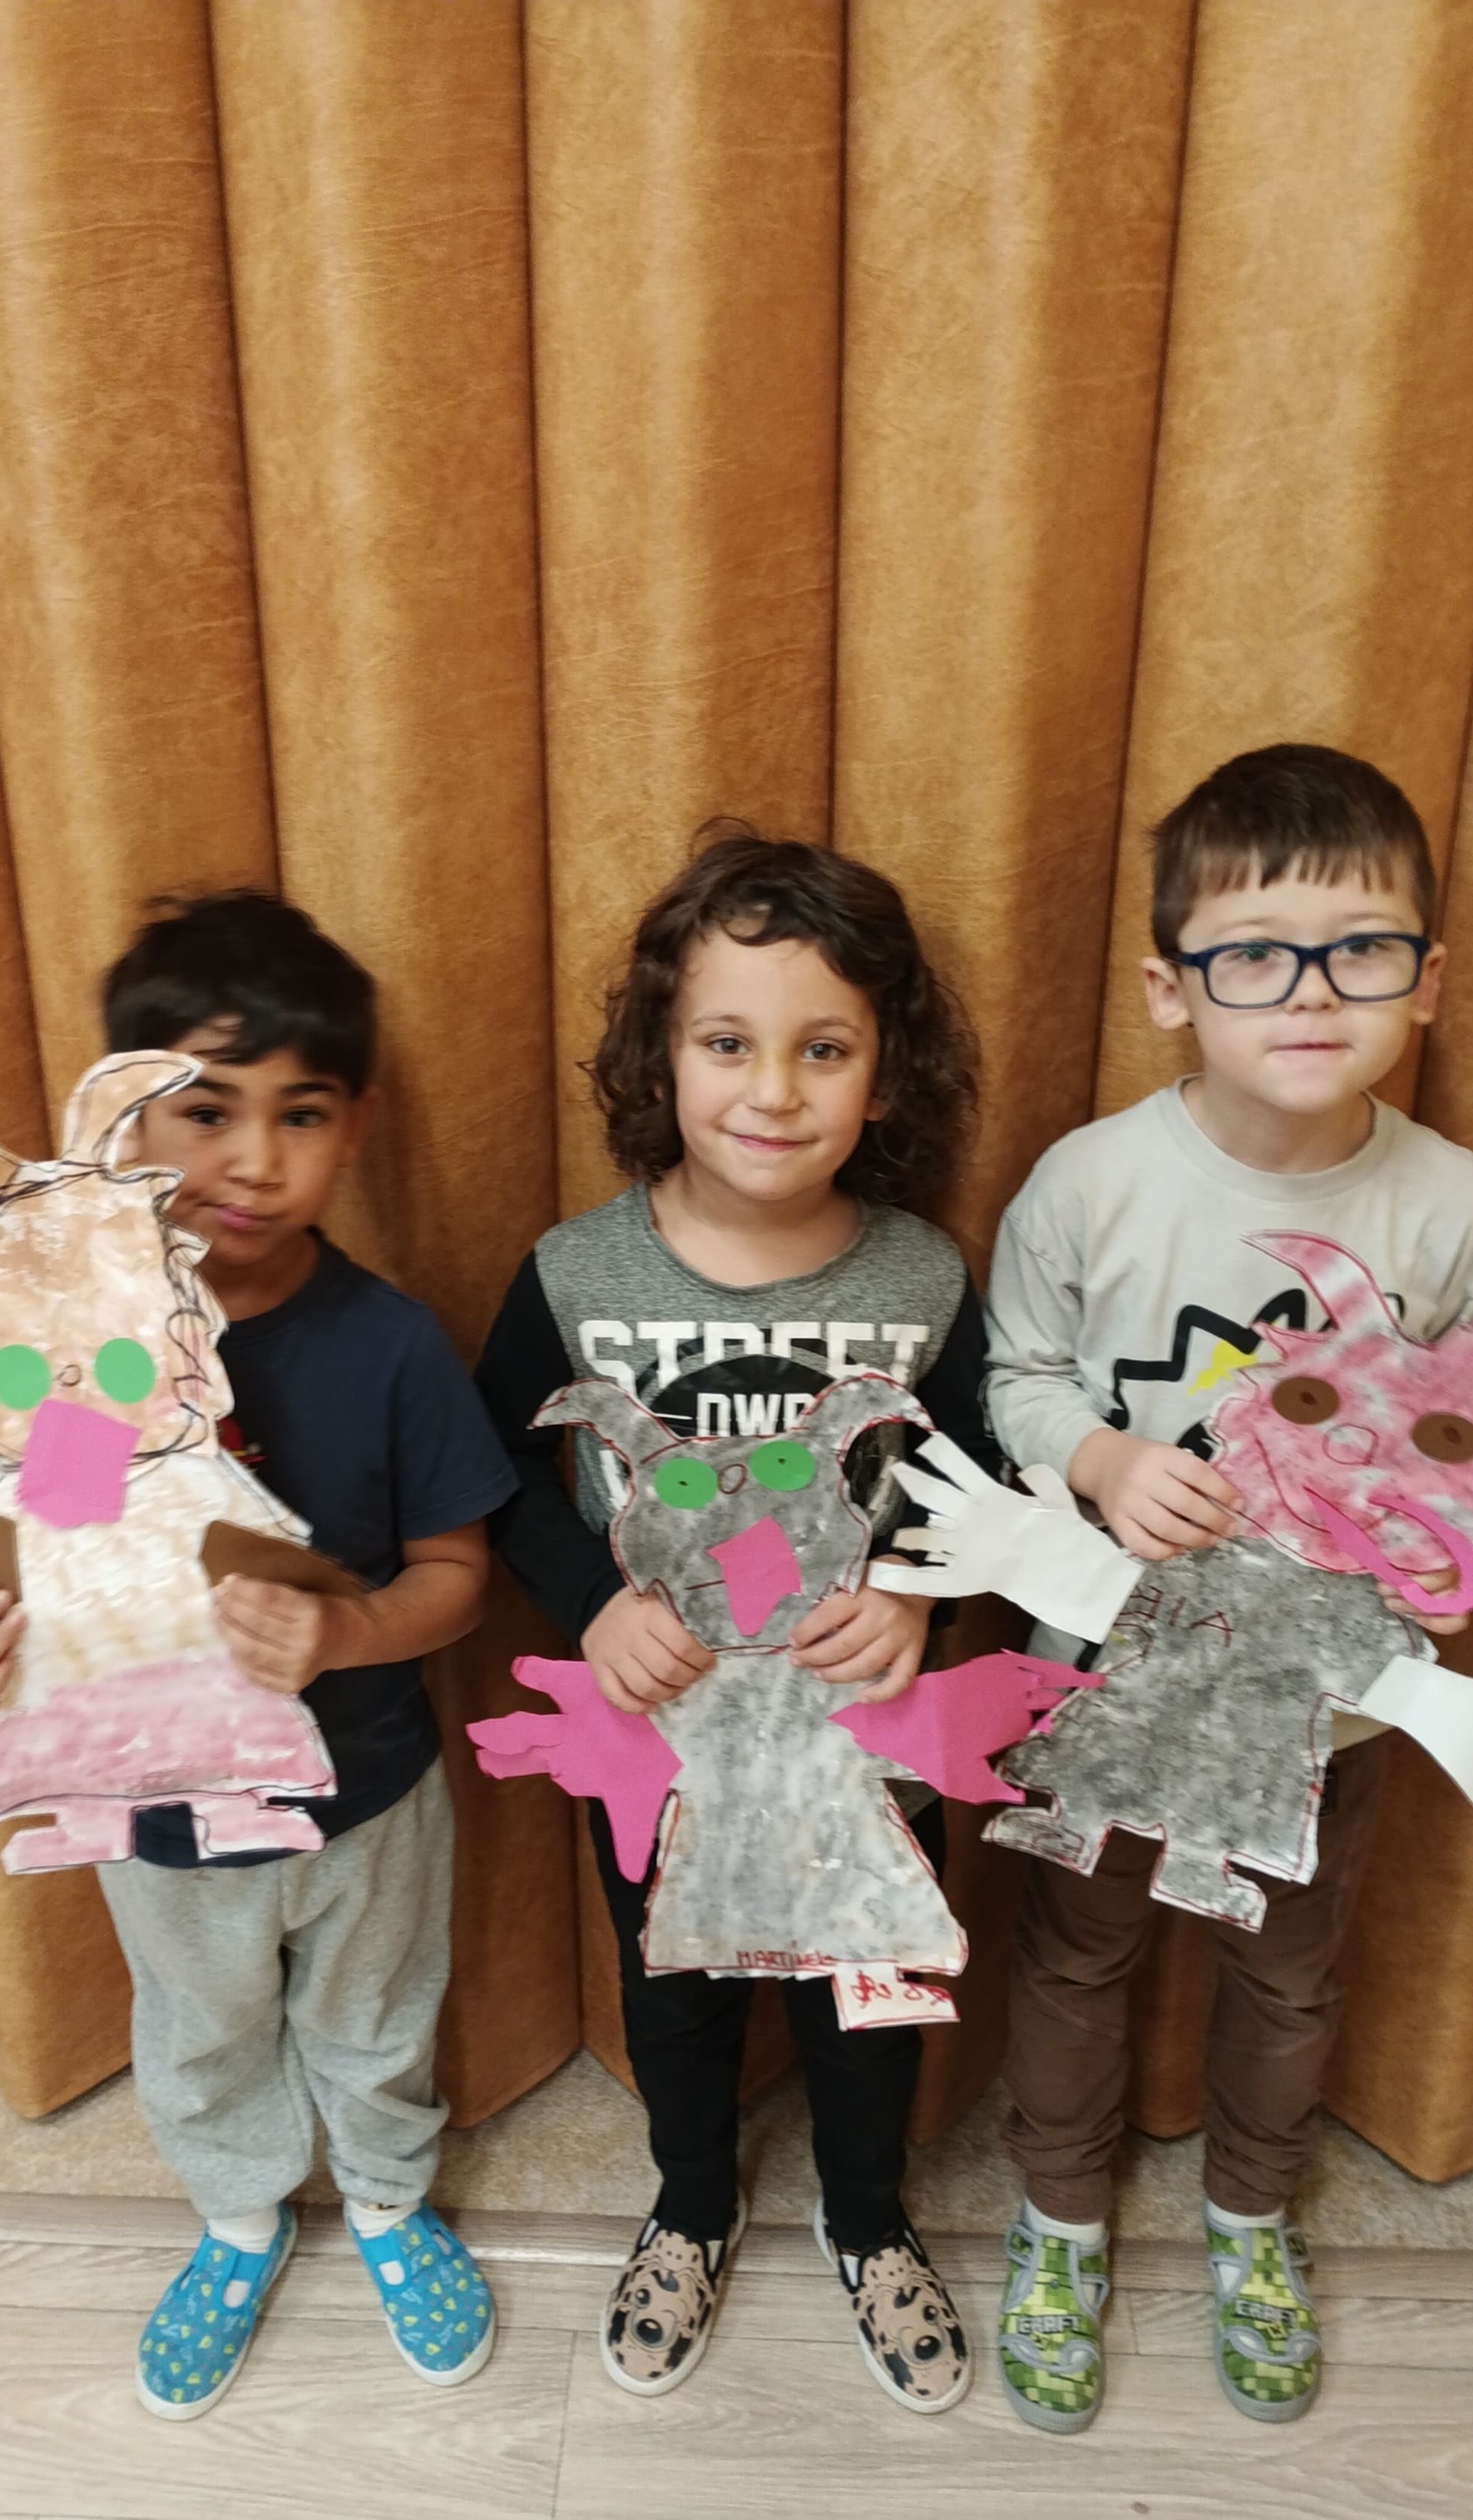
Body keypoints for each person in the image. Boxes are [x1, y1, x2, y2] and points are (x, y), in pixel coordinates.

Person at [0, 893, 516, 2416]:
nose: (253, 1159)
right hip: (153, 1809)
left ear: (354, 1127)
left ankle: (388, 2201)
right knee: (200, 2028)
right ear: (122, 1121)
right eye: (206, 1110)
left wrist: (348, 1631)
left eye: (299, 1114)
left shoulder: (388, 1345)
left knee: (374, 2018)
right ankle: (240, 2217)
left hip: (368, 1792)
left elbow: (458, 1576)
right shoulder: (59, 1352)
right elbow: (35, 1553)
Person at [983, 744, 1473, 2431]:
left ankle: (1250, 2220)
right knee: (1077, 1955)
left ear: (1426, 979)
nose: (1310, 991)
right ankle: (1059, 2220)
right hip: (1111, 1684)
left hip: (1317, 1708)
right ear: (1170, 986)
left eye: (1359, 950)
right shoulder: (1088, 1180)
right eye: (1255, 955)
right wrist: (1100, 1461)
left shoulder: (1445, 1200)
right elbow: (1011, 1377)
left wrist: (1421, 1555)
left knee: (1286, 1972)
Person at [477, 826, 997, 2414]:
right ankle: (690, 2204)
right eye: (727, 1043)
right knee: (675, 1987)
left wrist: (915, 1590)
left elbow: (984, 1473)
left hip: (862, 1740)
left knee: (868, 1993)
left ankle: (868, 2218)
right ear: (661, 1055)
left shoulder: (923, 1276)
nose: (773, 1090)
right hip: (659, 1739)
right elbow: (488, 1464)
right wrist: (590, 1604)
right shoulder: (574, 1270)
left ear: (884, 1074)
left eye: (822, 1047)